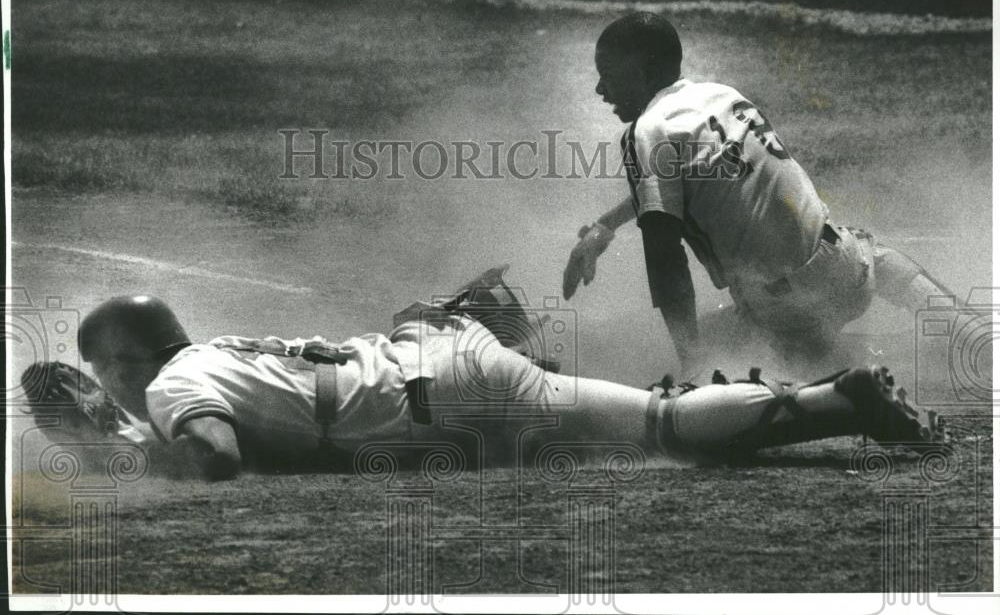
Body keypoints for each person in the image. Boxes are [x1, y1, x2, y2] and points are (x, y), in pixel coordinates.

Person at [23, 292, 944, 481]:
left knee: (658, 436)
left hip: (442, 394)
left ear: (125, 364)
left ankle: (838, 400)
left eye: (104, 371)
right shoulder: (215, 351)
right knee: (639, 422)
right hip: (440, 354)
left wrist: (125, 459)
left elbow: (216, 459)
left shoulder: (181, 389)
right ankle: (831, 401)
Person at [562, 12, 952, 373]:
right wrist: (606, 226)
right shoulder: (723, 95)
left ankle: (854, 362)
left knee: (682, 348)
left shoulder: (646, 131)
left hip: (785, 311)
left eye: (608, 73)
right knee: (875, 255)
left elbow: (665, 259)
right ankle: (962, 327)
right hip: (849, 272)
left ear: (642, 70)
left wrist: (691, 364)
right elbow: (689, 183)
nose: (600, 88)